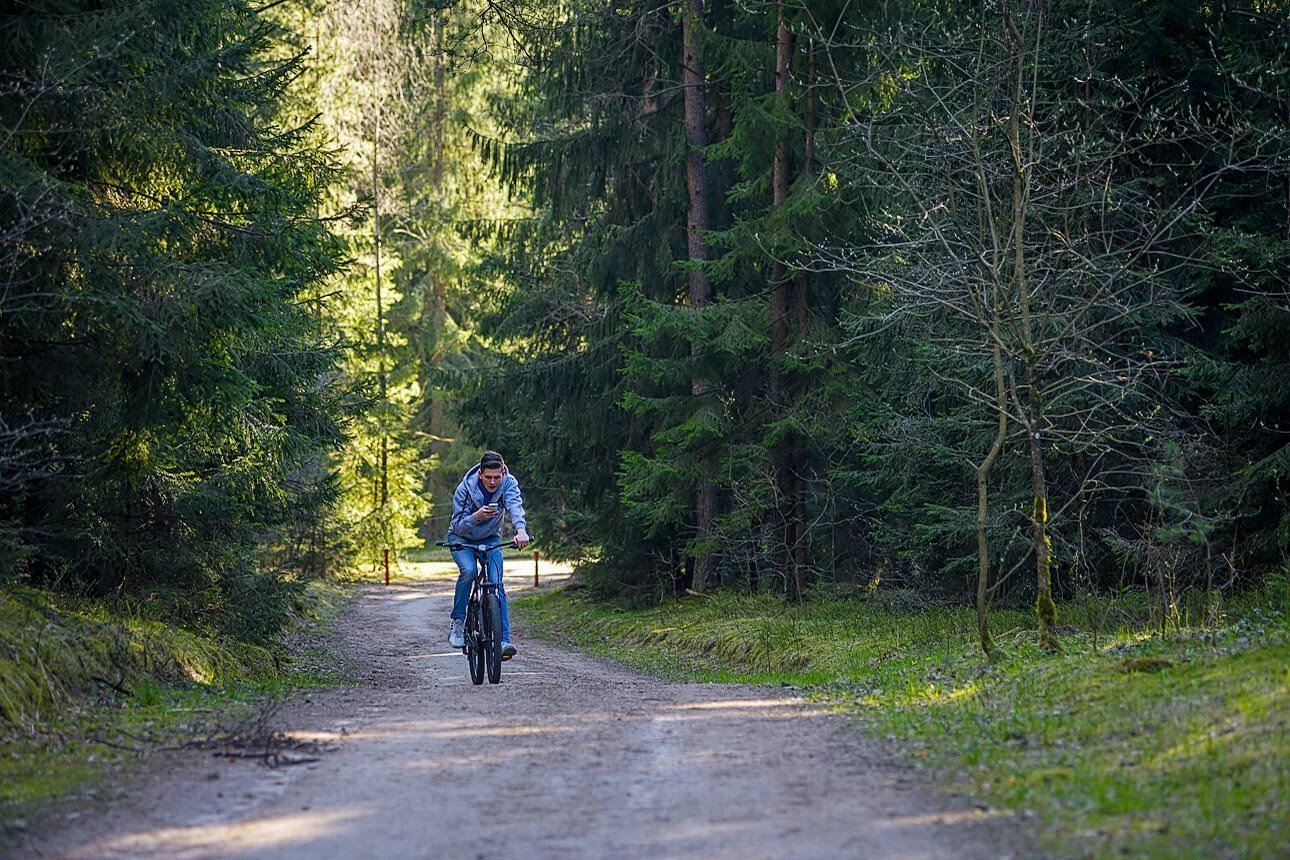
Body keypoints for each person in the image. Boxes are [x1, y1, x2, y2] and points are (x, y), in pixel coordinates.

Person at [446, 451, 531, 658]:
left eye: (497, 477)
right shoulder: (464, 489)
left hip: (490, 539)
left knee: (496, 583)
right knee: (468, 571)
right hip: (462, 539)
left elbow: (515, 506)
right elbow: (457, 526)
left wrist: (521, 530)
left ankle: (503, 641)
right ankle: (458, 622)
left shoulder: (508, 483)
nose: (493, 482)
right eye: (488, 477)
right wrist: (476, 517)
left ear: (502, 473)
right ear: (480, 474)